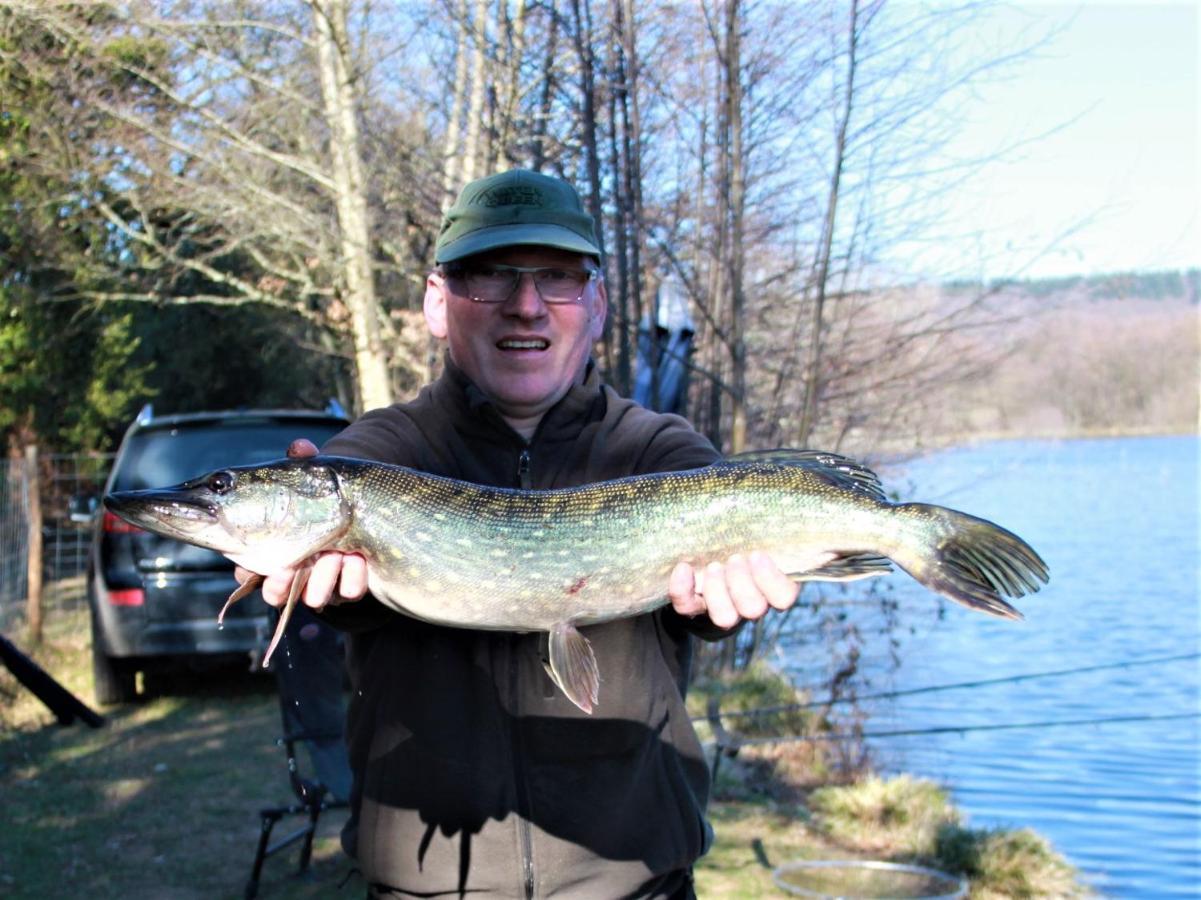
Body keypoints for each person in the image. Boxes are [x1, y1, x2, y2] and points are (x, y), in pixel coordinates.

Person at [237, 169, 813, 899]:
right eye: (488, 278)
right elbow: (339, 588)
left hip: (636, 882)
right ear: (436, 303)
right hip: (432, 886)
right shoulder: (377, 455)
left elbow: (708, 606)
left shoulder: (662, 454)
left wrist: (723, 602)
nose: (526, 307)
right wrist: (321, 592)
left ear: (597, 304)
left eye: (558, 278)